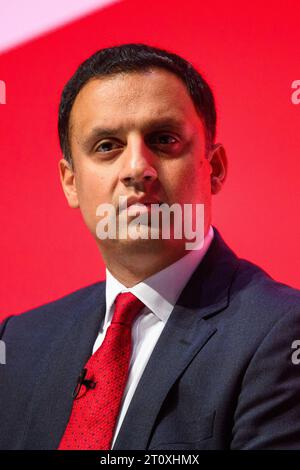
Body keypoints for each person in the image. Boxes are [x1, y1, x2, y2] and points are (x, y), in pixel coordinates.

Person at [1, 43, 300, 450]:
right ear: (70, 182)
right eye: (107, 146)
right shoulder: (18, 343)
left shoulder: (282, 333)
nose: (136, 168)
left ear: (214, 168)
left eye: (163, 139)